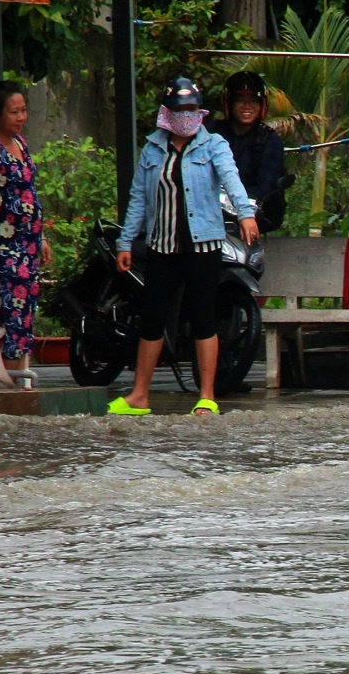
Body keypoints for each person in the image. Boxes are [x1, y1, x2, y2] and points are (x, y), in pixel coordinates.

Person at [109, 77, 261, 416]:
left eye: (192, 109)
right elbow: (139, 199)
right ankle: (139, 396)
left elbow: (231, 179)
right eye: (180, 110)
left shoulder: (214, 146)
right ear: (167, 113)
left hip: (203, 245)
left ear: (201, 112)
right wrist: (126, 241)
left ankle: (206, 396)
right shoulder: (152, 149)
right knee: (152, 318)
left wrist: (246, 213)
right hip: (163, 246)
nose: (186, 116)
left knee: (203, 317)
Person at [0, 80, 49, 387]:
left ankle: (17, 375)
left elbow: (31, 194)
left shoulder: (21, 146)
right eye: (13, 112)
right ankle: (3, 377)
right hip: (4, 246)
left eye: (23, 111)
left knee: (25, 310)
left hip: (28, 245)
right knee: (7, 309)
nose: (20, 117)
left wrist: (41, 236)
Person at [217, 71, 288, 233]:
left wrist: (241, 208)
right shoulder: (211, 134)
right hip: (211, 213)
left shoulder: (270, 140)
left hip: (254, 213)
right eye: (240, 100)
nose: (246, 106)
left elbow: (266, 186)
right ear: (229, 103)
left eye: (253, 101)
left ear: (262, 105)